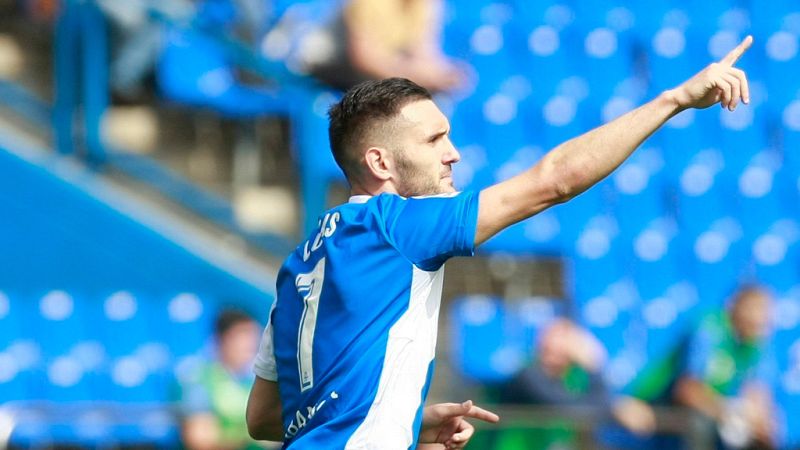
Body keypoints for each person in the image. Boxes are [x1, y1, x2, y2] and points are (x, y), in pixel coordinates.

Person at [246, 35, 755, 449]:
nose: (453, 154)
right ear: (380, 163)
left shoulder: (298, 266)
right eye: (434, 140)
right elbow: (554, 181)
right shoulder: (396, 224)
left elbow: (264, 418)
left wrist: (404, 418)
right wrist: (674, 100)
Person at [496, 318, 655, 448]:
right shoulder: (527, 376)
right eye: (549, 340)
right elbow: (573, 411)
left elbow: (588, 408)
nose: (554, 346)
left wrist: (616, 404)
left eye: (563, 342)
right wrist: (595, 367)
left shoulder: (571, 381)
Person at [673, 285, 776, 449]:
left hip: (721, 411)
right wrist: (727, 412)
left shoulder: (756, 342)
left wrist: (759, 420)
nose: (762, 318)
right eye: (756, 309)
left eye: (766, 311)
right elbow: (686, 390)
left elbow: (758, 393)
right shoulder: (710, 329)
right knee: (700, 422)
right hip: (664, 405)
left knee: (763, 432)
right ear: (737, 307)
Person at [179, 309, 278, 450]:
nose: (249, 345)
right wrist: (250, 444)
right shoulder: (199, 380)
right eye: (241, 336)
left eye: (252, 337)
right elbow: (200, 440)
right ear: (221, 340)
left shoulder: (260, 380)